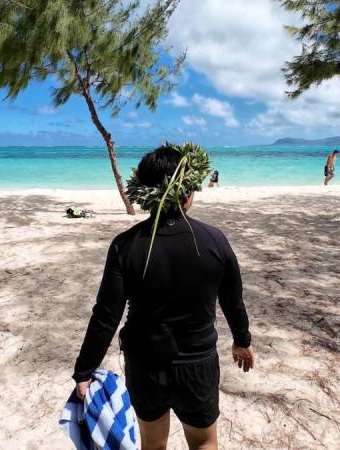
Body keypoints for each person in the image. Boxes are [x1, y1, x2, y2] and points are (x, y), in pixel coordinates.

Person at [72, 144, 254, 450]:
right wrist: (242, 340)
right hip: (197, 363)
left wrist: (84, 370)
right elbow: (233, 300)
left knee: (153, 444)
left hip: (146, 365)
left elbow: (106, 315)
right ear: (188, 191)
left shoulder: (125, 245)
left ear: (144, 192)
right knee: (203, 442)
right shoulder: (215, 240)